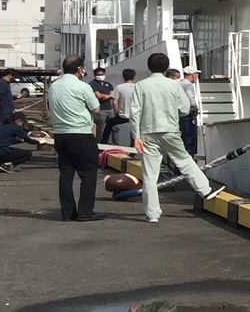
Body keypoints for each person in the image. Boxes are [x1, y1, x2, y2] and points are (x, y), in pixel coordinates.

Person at [132, 51, 217, 222]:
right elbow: (184, 108)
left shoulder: (140, 85)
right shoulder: (173, 85)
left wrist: (136, 136)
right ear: (166, 67)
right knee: (184, 160)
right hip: (170, 129)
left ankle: (152, 214)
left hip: (147, 132)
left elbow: (135, 112)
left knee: (150, 174)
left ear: (149, 67)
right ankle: (205, 190)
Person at [46, 55, 103, 221]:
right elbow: (96, 109)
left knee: (66, 174)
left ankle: (67, 212)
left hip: (60, 134)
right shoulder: (83, 86)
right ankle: (85, 211)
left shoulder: (53, 87)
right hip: (81, 133)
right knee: (88, 172)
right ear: (80, 69)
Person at [105, 68, 138, 144]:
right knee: (134, 130)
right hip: (135, 115)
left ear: (123, 76)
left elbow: (114, 102)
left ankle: (104, 141)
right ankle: (133, 145)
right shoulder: (137, 87)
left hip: (123, 115)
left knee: (109, 123)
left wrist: (116, 113)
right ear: (134, 77)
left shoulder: (119, 87)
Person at [90, 66, 114, 137]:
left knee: (115, 127)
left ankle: (116, 142)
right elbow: (99, 96)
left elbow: (114, 95)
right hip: (100, 110)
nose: (100, 76)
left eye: (102, 74)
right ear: (95, 75)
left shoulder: (108, 84)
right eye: (98, 75)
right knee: (101, 128)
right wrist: (108, 96)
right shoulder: (92, 84)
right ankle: (100, 141)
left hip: (109, 109)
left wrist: (105, 96)